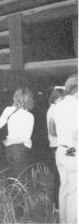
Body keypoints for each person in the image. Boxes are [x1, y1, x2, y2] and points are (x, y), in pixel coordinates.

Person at [49, 74, 78, 224]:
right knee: (75, 193)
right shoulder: (75, 105)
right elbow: (75, 134)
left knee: (64, 189)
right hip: (72, 151)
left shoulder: (59, 105)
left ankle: (63, 221)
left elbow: (53, 129)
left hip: (60, 150)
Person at [0, 87, 34, 179]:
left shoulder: (8, 110)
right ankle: (17, 193)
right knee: (20, 179)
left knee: (12, 177)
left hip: (9, 149)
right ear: (29, 100)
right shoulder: (29, 116)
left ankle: (11, 193)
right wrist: (12, 142)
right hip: (20, 150)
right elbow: (25, 138)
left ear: (16, 98)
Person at [46, 87, 65, 210]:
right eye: (63, 98)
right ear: (57, 98)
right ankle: (57, 206)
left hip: (54, 146)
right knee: (60, 177)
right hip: (58, 146)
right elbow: (52, 130)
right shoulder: (56, 109)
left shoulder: (52, 109)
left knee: (58, 176)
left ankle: (55, 204)